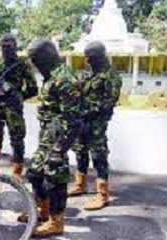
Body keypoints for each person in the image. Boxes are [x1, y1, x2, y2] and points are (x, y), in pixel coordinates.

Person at [24, 39, 82, 237]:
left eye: (35, 58)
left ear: (47, 55)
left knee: (55, 179)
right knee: (34, 174)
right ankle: (43, 211)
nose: (33, 64)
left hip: (59, 137)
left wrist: (60, 149)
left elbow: (75, 121)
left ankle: (56, 222)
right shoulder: (51, 76)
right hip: (48, 135)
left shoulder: (64, 79)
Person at [69, 41, 122, 211]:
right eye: (86, 57)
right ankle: (80, 184)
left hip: (97, 121)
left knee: (98, 155)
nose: (87, 60)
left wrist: (90, 112)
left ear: (99, 57)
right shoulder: (88, 73)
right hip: (82, 119)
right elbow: (78, 90)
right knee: (80, 150)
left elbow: (109, 102)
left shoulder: (111, 75)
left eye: (90, 57)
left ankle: (102, 194)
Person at [0, 34, 38, 180]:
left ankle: (17, 171)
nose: (6, 49)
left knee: (17, 139)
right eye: (4, 46)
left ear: (15, 47)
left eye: (9, 46)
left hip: (13, 109)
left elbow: (33, 89)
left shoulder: (22, 65)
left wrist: (18, 97)